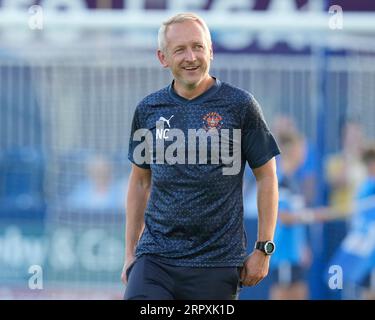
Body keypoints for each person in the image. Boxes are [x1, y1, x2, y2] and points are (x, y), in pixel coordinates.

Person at [121, 12, 280, 300]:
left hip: (217, 263)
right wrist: (130, 253)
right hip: (156, 259)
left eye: (197, 47)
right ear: (163, 58)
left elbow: (267, 176)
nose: (190, 57)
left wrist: (263, 248)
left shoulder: (240, 105)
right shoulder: (148, 109)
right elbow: (140, 182)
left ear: (211, 51)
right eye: (179, 49)